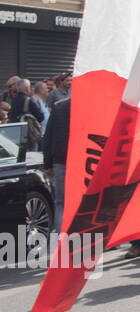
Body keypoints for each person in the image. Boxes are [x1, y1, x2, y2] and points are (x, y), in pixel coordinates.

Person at [40, 93, 71, 232]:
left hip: (60, 160)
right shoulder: (89, 106)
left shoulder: (59, 107)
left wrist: (47, 164)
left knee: (61, 203)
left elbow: (48, 136)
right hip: (82, 160)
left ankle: (62, 240)